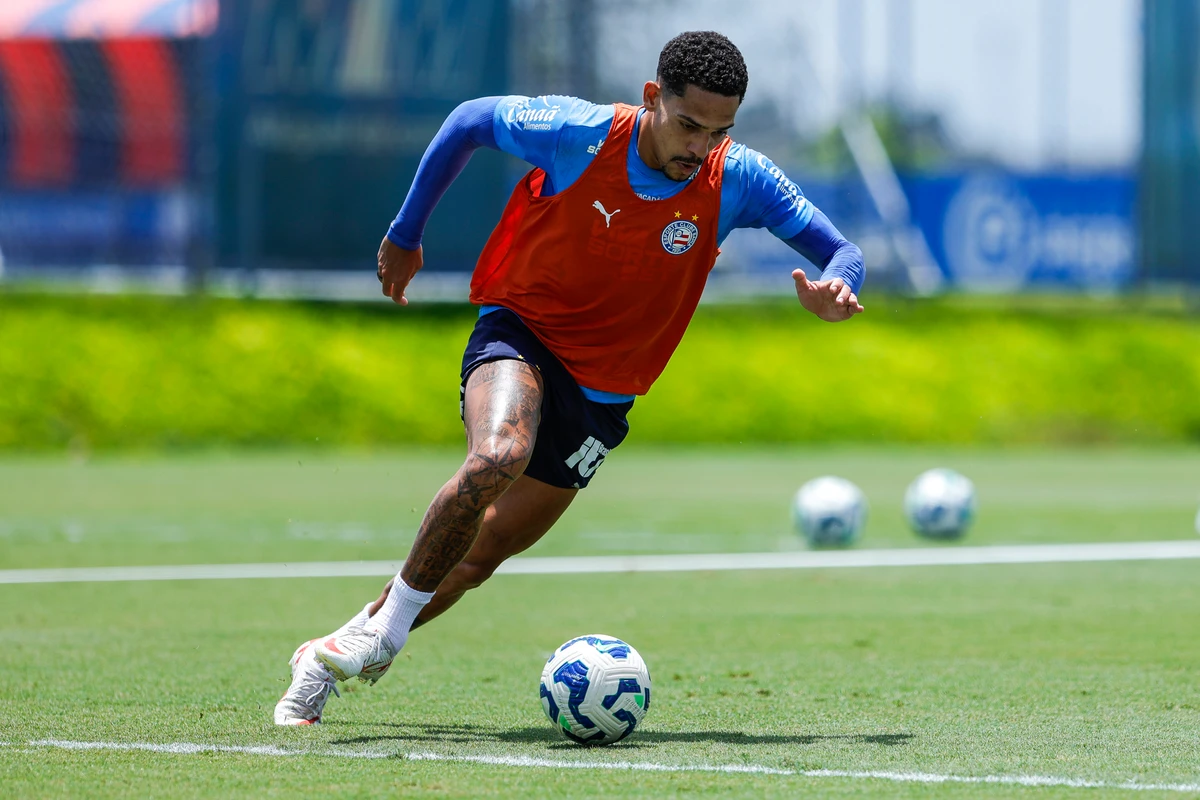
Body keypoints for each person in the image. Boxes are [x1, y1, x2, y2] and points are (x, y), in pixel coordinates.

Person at [274, 30, 864, 725]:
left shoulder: (740, 178)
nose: (701, 147)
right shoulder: (580, 135)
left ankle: (333, 650)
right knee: (499, 453)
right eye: (689, 126)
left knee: (476, 557)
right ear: (653, 99)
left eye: (719, 131)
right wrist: (406, 233)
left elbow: (842, 250)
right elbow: (469, 120)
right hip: (521, 330)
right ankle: (379, 637)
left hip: (603, 397)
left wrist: (836, 287)